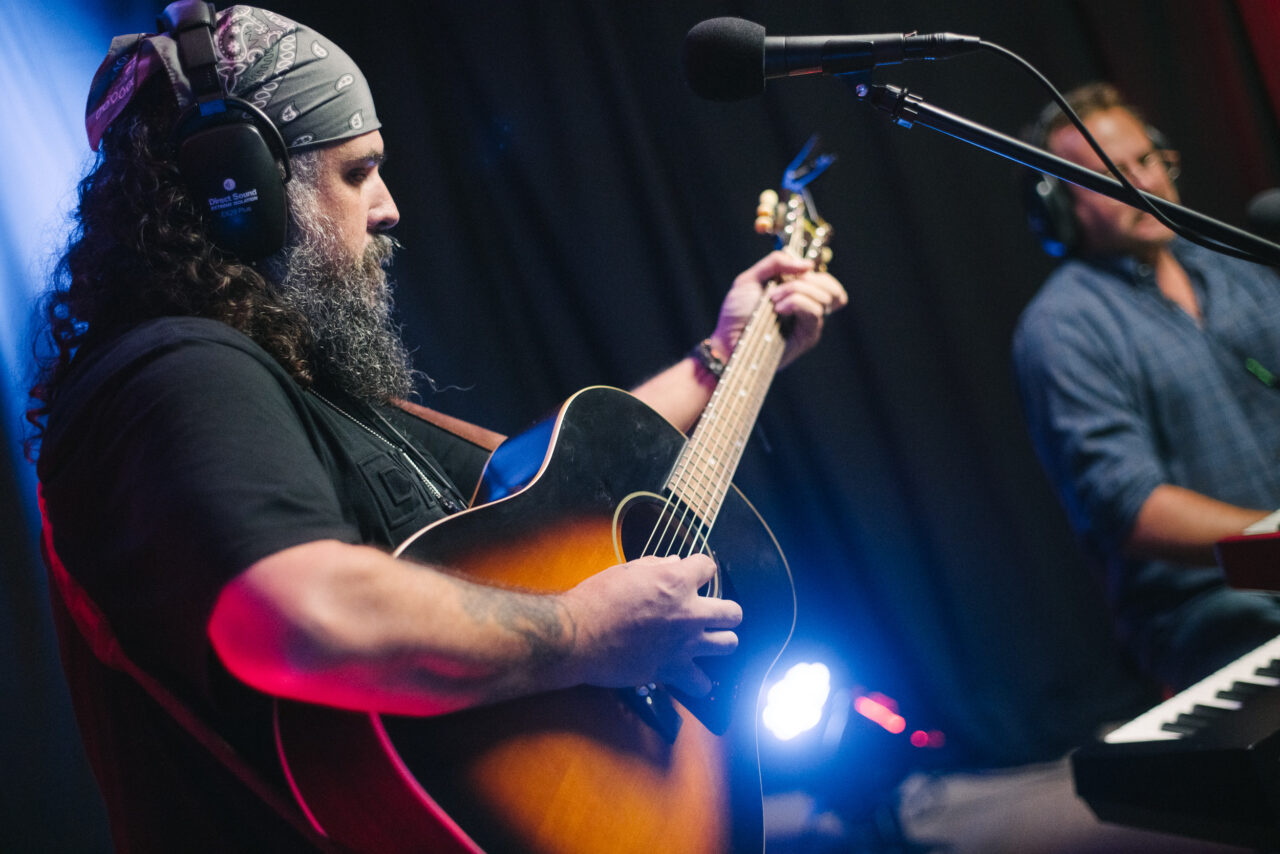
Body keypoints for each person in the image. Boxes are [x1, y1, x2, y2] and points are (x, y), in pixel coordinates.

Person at [28, 4, 847, 851]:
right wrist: (585, 636)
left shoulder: (312, 397)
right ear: (239, 191)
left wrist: (722, 357)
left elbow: (565, 490)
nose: (387, 208)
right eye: (357, 173)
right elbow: (297, 613)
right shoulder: (180, 372)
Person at [1012, 81, 1280, 694]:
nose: (1144, 183)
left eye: (1147, 161)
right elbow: (1130, 509)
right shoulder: (1062, 328)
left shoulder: (1238, 269)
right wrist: (1273, 544)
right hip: (1204, 614)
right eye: (1111, 173)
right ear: (1059, 206)